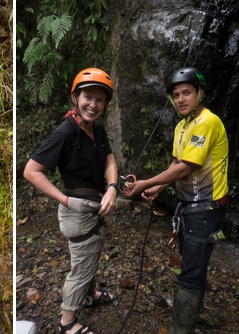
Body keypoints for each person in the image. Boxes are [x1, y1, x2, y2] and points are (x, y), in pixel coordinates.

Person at [124, 67, 228, 334]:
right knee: (191, 263)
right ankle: (189, 312)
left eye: (187, 93)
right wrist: (160, 187)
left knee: (191, 272)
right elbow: (176, 162)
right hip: (189, 206)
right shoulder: (183, 126)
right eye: (176, 95)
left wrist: (146, 183)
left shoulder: (207, 121)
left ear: (199, 93)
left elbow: (186, 168)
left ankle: (180, 328)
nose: (181, 99)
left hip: (206, 207)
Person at [23, 68, 120, 334]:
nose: (94, 105)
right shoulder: (64, 133)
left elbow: (109, 159)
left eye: (100, 100)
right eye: (88, 97)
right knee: (81, 267)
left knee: (89, 259)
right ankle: (67, 322)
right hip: (77, 213)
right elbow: (31, 171)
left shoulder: (96, 128)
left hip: (94, 207)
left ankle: (89, 297)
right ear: (76, 97)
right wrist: (65, 200)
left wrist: (112, 187)